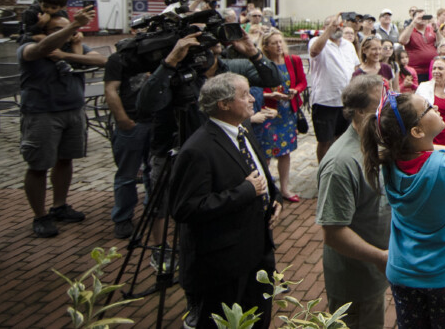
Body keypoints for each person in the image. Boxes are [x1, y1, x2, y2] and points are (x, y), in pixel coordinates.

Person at [359, 92, 445, 329]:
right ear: (417, 131)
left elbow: (429, 157)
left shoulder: (390, 161)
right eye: (428, 107)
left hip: (402, 272)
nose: (435, 106)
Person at [170, 73, 283, 329]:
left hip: (258, 249)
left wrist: (274, 198)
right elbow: (185, 208)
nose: (253, 99)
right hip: (224, 264)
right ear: (223, 104)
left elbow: (261, 175)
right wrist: (245, 191)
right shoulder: (198, 149)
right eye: (245, 95)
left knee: (259, 319)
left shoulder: (243, 130)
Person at [18, 5, 106, 237]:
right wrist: (75, 25)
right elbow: (42, 48)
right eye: (57, 29)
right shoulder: (28, 47)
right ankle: (40, 216)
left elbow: (102, 60)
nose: (65, 33)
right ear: (44, 31)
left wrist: (67, 54)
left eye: (66, 29)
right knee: (38, 166)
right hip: (41, 114)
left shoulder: (71, 48)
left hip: (73, 111)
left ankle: (59, 206)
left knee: (65, 160)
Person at [314, 76, 392, 329]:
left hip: (372, 271)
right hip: (356, 282)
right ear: (359, 111)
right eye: (380, 103)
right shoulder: (340, 163)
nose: (388, 108)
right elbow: (334, 233)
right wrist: (381, 257)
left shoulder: (370, 141)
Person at [103, 47, 154, 239]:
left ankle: (154, 209)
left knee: (154, 170)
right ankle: (122, 217)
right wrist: (122, 118)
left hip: (156, 122)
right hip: (132, 123)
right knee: (127, 174)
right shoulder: (119, 58)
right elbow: (110, 89)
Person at [255, 30, 308, 202]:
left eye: (280, 41)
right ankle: (266, 190)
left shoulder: (293, 60)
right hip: (268, 114)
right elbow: (255, 90)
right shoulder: (261, 64)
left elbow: (302, 82)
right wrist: (270, 96)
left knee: (285, 152)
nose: (279, 45)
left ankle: (284, 188)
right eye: (274, 43)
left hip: (288, 113)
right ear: (266, 47)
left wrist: (295, 90)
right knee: (266, 153)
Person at [308, 14, 361, 162]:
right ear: (325, 27)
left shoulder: (348, 45)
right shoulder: (317, 42)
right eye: (332, 25)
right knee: (324, 140)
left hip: (345, 102)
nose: (337, 27)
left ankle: (339, 165)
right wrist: (328, 31)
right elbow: (314, 52)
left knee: (343, 138)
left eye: (339, 25)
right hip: (325, 101)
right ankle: (323, 168)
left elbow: (356, 68)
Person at [398, 9, 437, 83]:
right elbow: (402, 41)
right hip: (416, 71)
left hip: (432, 70)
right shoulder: (410, 30)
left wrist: (436, 27)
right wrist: (414, 22)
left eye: (424, 16)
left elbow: (441, 42)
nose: (422, 19)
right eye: (419, 17)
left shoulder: (431, 29)